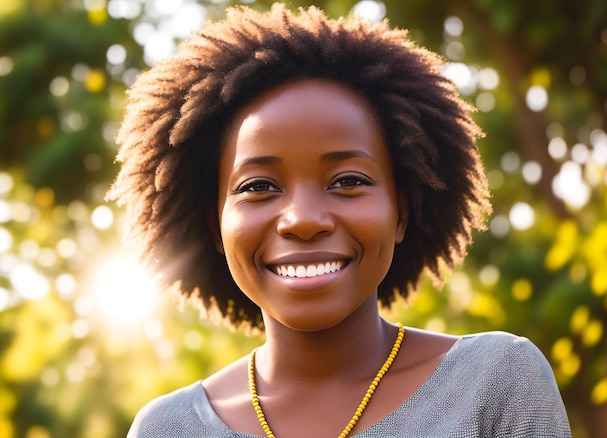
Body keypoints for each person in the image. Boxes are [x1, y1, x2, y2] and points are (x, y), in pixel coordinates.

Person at [109, 3, 572, 437]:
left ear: (401, 213)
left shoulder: (495, 381)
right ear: (215, 225)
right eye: (258, 186)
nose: (303, 220)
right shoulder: (169, 428)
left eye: (347, 180)